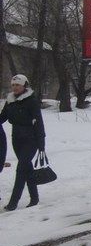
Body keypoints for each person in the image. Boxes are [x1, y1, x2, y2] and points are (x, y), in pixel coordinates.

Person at [0, 74, 45, 211]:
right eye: (13, 85)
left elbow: (39, 122)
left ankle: (13, 203)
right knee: (27, 169)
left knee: (21, 169)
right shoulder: (10, 101)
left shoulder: (31, 100)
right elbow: (2, 118)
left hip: (31, 139)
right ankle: (34, 198)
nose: (15, 87)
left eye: (17, 85)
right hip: (16, 139)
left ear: (24, 85)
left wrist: (41, 144)